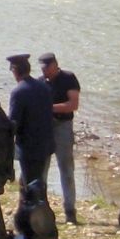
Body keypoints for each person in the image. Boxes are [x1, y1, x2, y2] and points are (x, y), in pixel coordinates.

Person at [38, 53, 82, 223]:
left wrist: (49, 108)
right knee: (42, 169)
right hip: (46, 128)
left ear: (55, 65)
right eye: (42, 68)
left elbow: (73, 104)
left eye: (47, 68)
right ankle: (41, 208)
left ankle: (70, 210)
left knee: (67, 169)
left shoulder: (68, 78)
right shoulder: (41, 82)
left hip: (63, 126)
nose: (44, 72)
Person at [6, 54, 53, 192]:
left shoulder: (18, 91)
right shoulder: (44, 87)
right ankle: (38, 208)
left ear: (15, 71)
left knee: (30, 184)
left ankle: (32, 211)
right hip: (46, 143)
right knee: (38, 180)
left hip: (28, 147)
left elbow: (14, 122)